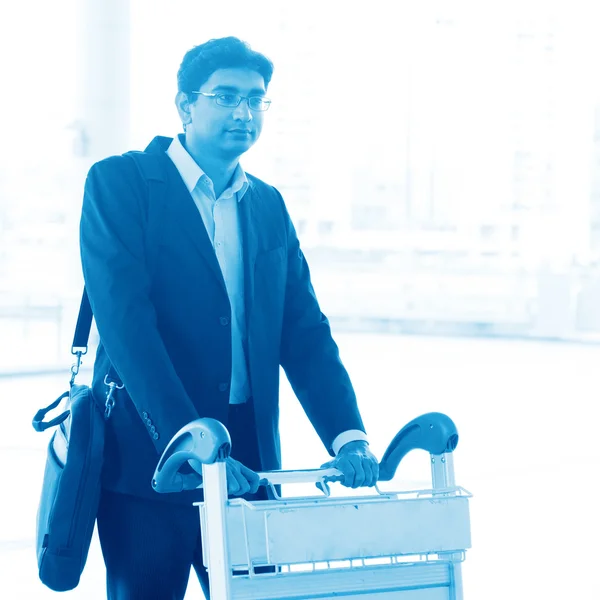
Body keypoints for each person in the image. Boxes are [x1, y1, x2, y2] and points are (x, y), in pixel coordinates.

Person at [80, 36, 379, 600]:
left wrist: (348, 435)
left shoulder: (267, 204)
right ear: (185, 105)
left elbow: (305, 332)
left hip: (250, 458)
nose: (243, 113)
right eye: (225, 97)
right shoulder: (120, 183)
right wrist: (186, 437)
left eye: (256, 100)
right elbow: (126, 329)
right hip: (153, 455)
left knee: (260, 596)